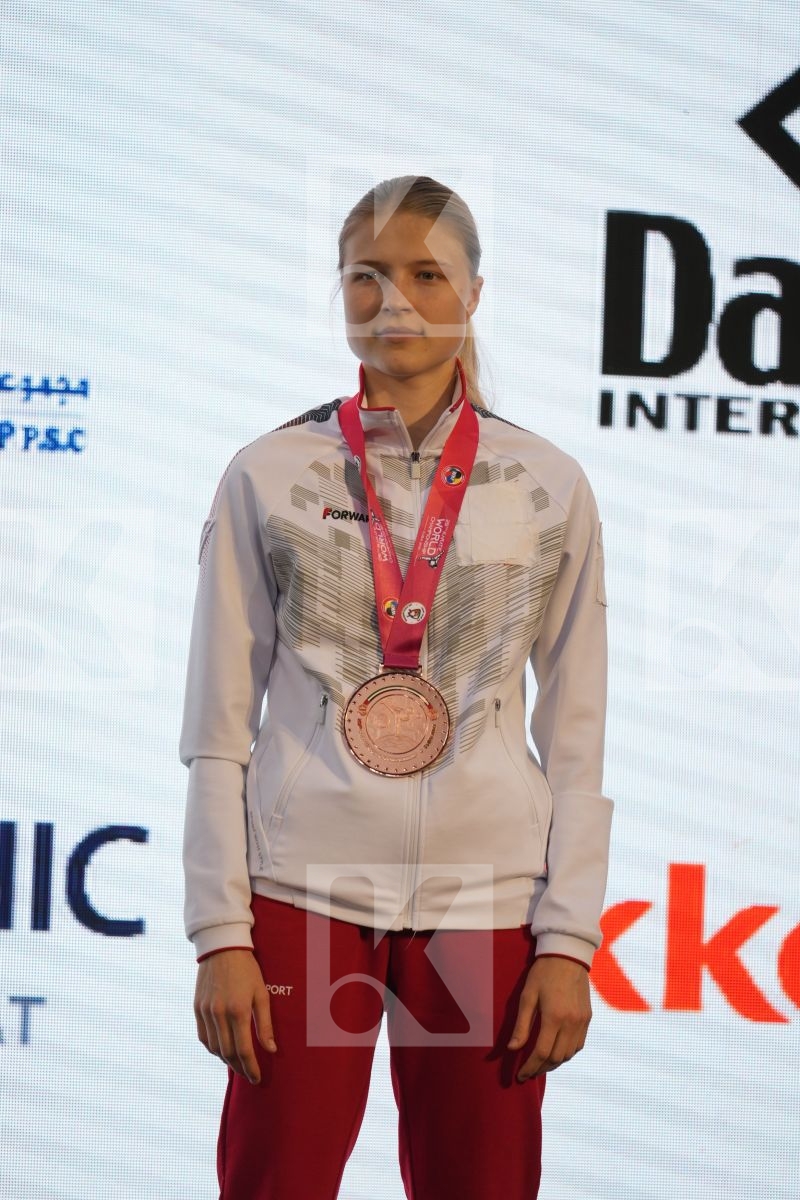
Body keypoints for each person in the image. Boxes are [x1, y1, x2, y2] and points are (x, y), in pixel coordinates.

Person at [179, 174, 613, 1200]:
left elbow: (579, 728)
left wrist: (567, 941)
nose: (395, 301)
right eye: (365, 278)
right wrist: (220, 932)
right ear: (338, 295)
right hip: (300, 897)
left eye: (426, 274)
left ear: (473, 290)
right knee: (272, 1185)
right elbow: (215, 726)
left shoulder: (546, 483)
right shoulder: (269, 472)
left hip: (485, 903)